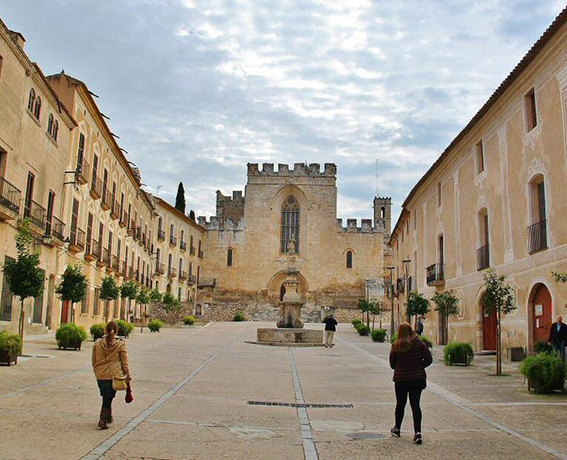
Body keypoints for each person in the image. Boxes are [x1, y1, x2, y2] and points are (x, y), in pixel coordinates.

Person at [389, 322, 432, 445]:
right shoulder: (419, 343)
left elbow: (392, 365)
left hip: (401, 379)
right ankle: (417, 433)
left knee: (400, 404)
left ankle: (397, 428)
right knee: (415, 405)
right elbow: (429, 359)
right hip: (417, 379)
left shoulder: (396, 345)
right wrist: (419, 367)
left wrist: (401, 367)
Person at [92, 321, 132, 429]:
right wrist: (128, 374)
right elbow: (124, 361)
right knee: (108, 398)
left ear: (105, 329)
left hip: (100, 375)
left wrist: (97, 370)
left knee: (107, 396)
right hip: (114, 375)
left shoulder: (97, 343)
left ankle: (108, 416)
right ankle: (102, 420)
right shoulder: (120, 344)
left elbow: (93, 360)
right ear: (117, 330)